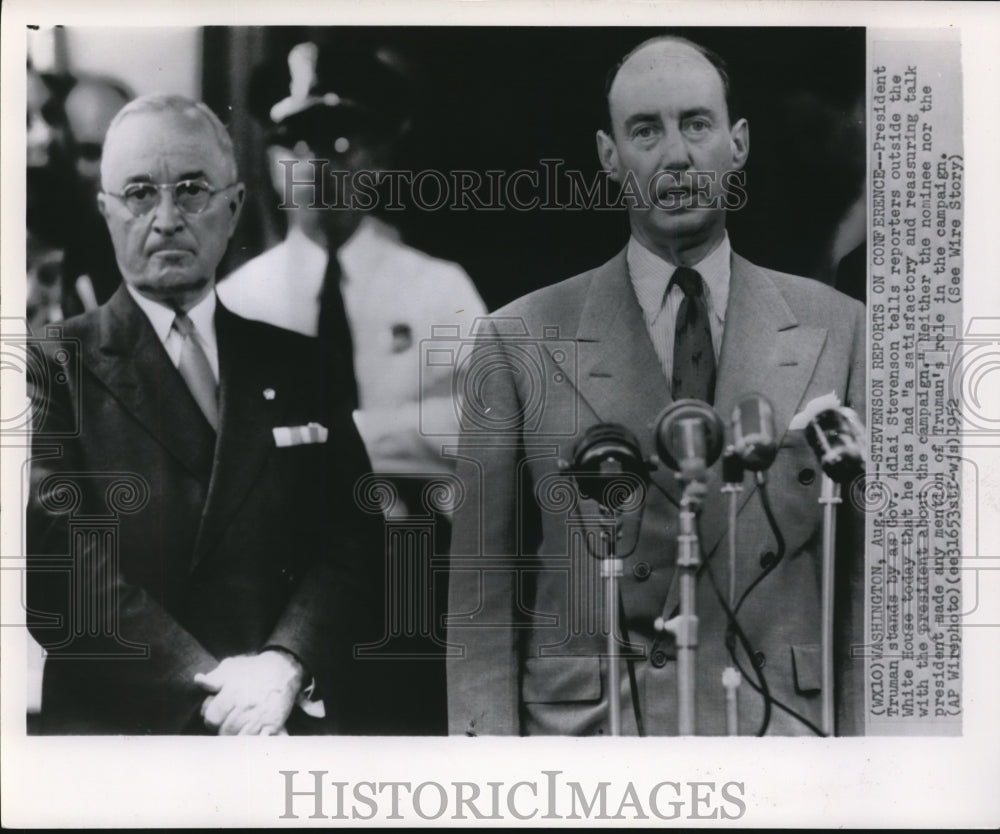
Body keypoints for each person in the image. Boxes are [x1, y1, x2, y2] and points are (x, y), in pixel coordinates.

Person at [445, 36, 866, 736]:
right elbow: (480, 602)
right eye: (646, 130)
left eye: (696, 124)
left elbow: (863, 586)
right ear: (610, 158)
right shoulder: (515, 340)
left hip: (780, 739)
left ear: (738, 144)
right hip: (594, 751)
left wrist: (866, 768)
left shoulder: (842, 331)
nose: (676, 155)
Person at [26, 93, 386, 735]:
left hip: (281, 726)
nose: (166, 218)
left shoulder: (302, 366)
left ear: (235, 206)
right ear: (104, 210)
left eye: (192, 190)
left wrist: (284, 664)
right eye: (139, 194)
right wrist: (219, 695)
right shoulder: (47, 368)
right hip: (124, 742)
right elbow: (62, 576)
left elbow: (354, 541)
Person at [218, 41, 487, 734]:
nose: (319, 166)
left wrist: (355, 439)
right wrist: (406, 429)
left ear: (381, 156)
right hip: (280, 604)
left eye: (342, 142)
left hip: (415, 586)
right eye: (295, 145)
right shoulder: (238, 302)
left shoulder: (438, 288)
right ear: (271, 164)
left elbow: (489, 432)